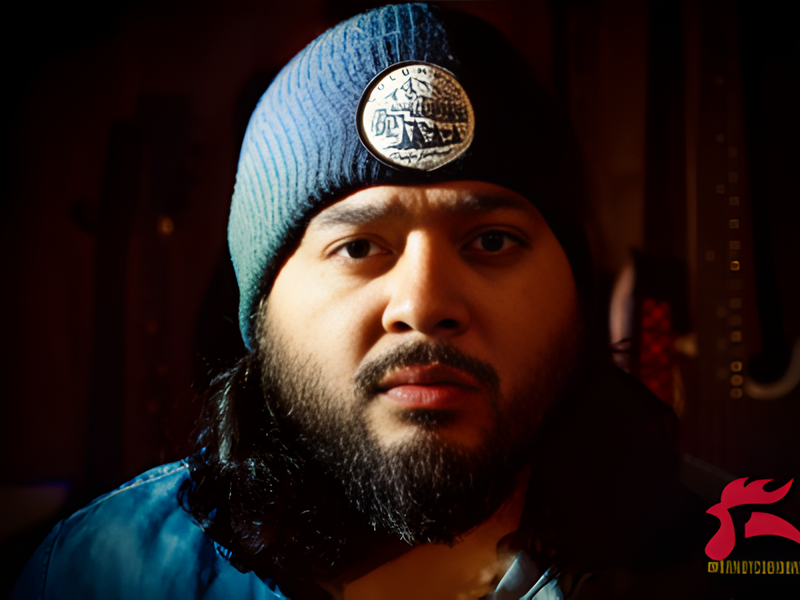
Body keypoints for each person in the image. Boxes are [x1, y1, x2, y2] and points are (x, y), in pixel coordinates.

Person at [11, 4, 703, 599]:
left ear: (576, 293)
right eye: (359, 247)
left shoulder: (727, 561)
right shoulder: (98, 572)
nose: (423, 304)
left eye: (491, 241)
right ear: (261, 312)